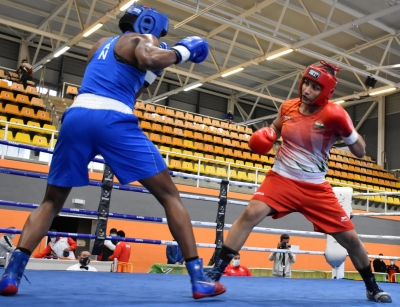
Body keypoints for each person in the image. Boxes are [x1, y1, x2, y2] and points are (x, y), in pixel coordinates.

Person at [0, 4, 225, 299]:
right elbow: (148, 56)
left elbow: (129, 83)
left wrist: (152, 72)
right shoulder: (142, 39)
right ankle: (199, 280)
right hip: (112, 119)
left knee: (50, 202)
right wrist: (182, 52)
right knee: (170, 195)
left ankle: (10, 275)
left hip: (76, 116)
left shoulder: (99, 45)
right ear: (149, 24)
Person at [206, 60, 392, 303]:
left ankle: (372, 287)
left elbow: (360, 151)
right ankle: (215, 272)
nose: (307, 90)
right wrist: (267, 136)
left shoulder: (333, 114)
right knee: (251, 213)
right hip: (281, 179)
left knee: (351, 240)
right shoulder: (287, 108)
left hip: (315, 186)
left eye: (315, 87)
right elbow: (275, 129)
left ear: (325, 92)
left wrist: (349, 130)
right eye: (306, 83)